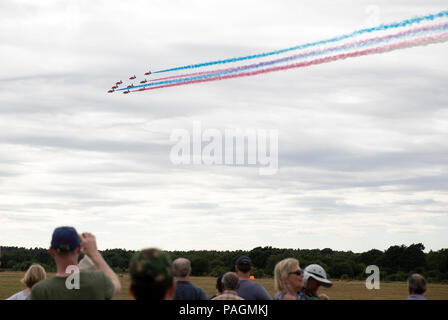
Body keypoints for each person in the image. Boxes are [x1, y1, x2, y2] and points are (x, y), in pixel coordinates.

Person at [30, 226, 121, 300]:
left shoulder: (41, 291)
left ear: (52, 251)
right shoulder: (98, 280)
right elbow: (116, 284)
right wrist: (94, 253)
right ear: (78, 249)